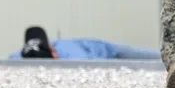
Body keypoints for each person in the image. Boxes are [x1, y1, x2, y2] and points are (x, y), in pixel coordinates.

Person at [10, 26, 160, 61]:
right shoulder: (22, 56)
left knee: (154, 58)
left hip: (105, 50)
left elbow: (94, 66)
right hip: (98, 51)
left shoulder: (72, 54)